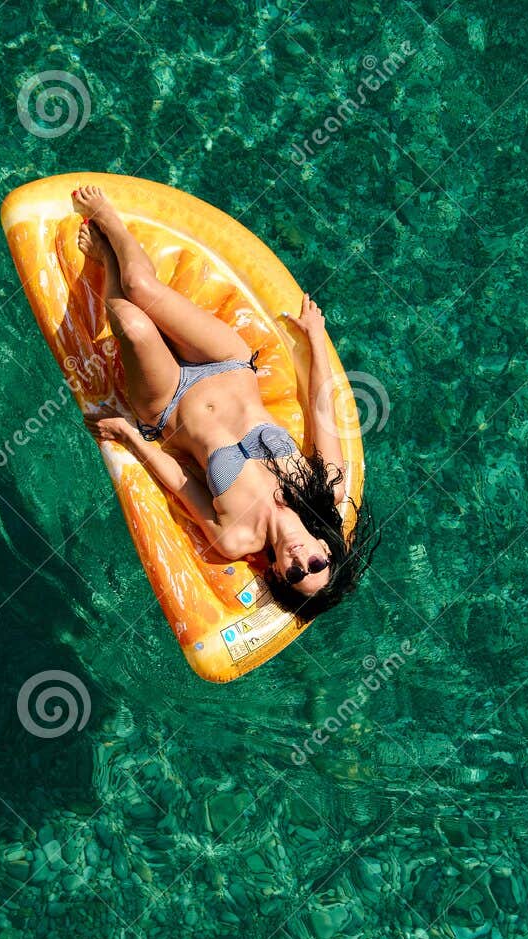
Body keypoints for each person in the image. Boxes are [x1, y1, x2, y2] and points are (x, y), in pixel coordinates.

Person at [72, 186, 375, 622]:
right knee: (140, 285)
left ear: (275, 572)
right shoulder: (327, 485)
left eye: (293, 574)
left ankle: (104, 260)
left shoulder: (235, 538)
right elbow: (322, 407)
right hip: (226, 364)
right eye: (315, 564)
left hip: (167, 405)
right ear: (326, 549)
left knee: (134, 326)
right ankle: (110, 223)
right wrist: (315, 336)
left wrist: (129, 435)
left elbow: (180, 483)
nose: (299, 560)